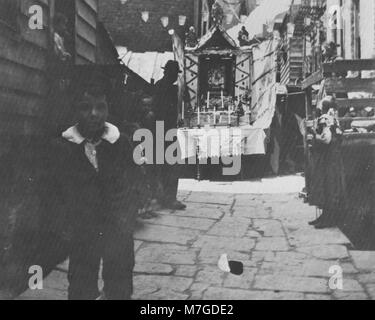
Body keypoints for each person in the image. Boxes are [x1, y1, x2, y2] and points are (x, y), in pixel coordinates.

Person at [46, 89, 141, 300]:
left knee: (119, 283)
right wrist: (66, 225)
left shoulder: (121, 143)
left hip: (117, 228)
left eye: (100, 107)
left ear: (108, 110)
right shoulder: (62, 148)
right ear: (75, 110)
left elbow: (135, 182)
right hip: (82, 229)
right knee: (81, 284)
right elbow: (55, 193)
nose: (94, 114)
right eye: (85, 107)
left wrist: (127, 217)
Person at [153, 60, 186, 210]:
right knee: (172, 166)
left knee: (161, 166)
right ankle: (169, 198)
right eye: (174, 74)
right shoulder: (169, 89)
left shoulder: (158, 86)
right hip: (166, 130)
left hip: (158, 130)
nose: (175, 77)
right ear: (170, 73)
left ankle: (161, 197)